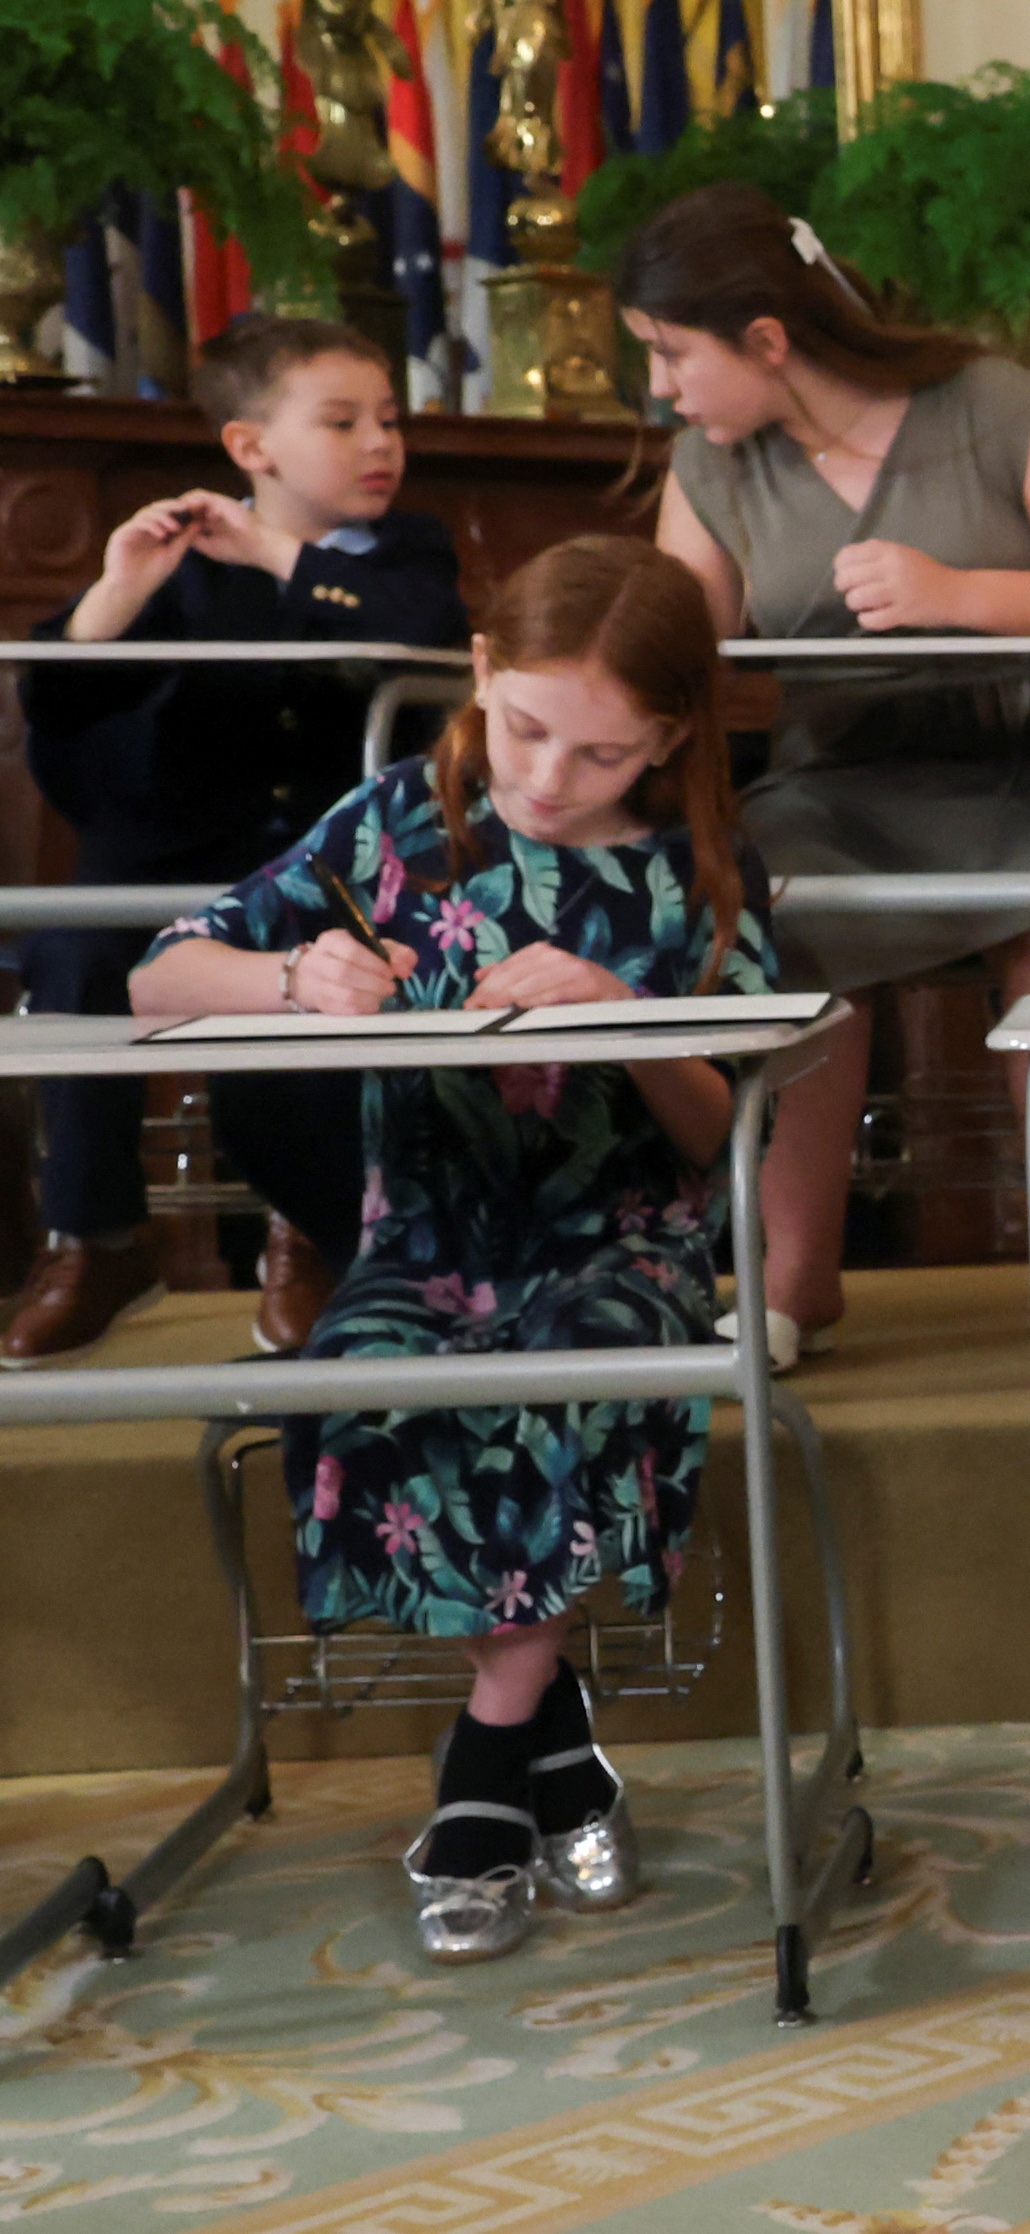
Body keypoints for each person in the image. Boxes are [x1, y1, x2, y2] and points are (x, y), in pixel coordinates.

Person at [130, 536, 775, 1965]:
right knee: (357, 1378)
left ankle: (483, 1764)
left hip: (625, 1242)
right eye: (527, 728)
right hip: (427, 1236)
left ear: (671, 737)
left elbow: (722, 1131)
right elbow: (158, 973)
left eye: (600, 752)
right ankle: (559, 1743)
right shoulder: (399, 824)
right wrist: (290, 975)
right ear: (482, 673)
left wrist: (625, 1013)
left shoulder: (695, 875)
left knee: (566, 1371)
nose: (547, 776)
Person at [619, 181, 1030, 1367]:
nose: (662, 386)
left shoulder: (989, 403)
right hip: (840, 776)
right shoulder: (706, 466)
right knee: (790, 915)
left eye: (672, 354)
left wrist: (961, 594)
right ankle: (795, 1274)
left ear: (764, 340)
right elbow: (678, 653)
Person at [10, 316, 466, 1366]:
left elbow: (421, 628)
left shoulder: (410, 552)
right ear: (250, 447)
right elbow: (63, 718)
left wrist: (274, 552)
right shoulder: (182, 564)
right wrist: (116, 595)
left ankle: (310, 1226)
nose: (380, 443)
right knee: (76, 954)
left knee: (335, 958)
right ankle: (94, 1239)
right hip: (178, 861)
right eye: (342, 422)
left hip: (333, 867)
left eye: (390, 420)